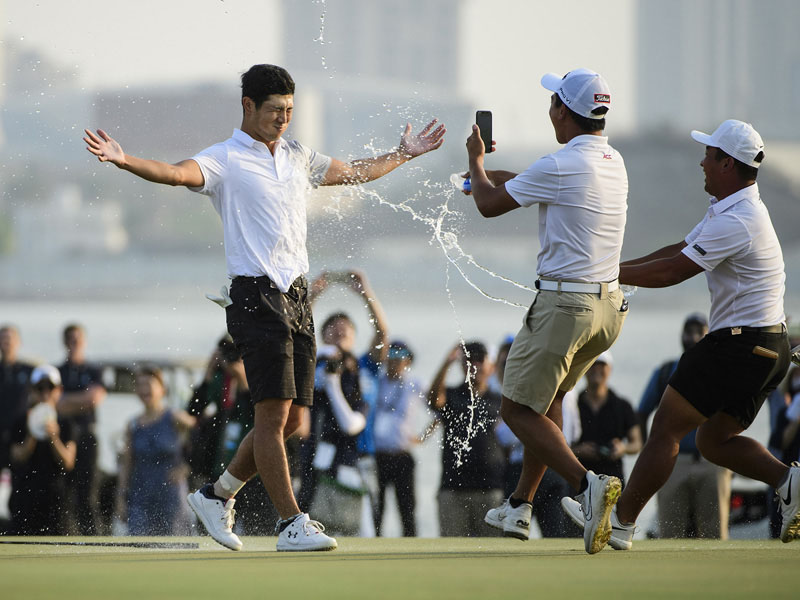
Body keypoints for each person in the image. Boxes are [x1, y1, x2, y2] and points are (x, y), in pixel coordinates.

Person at [84, 63, 444, 551]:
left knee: (294, 421)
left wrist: (404, 154)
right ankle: (291, 522)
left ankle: (216, 495)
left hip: (296, 298)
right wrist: (125, 161)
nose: (284, 119)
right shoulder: (225, 158)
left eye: (291, 110)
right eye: (275, 110)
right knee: (272, 417)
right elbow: (174, 173)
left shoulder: (298, 154)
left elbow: (355, 172)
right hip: (255, 298)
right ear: (248, 106)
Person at [565, 119, 797, 552]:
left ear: (727, 164)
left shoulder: (739, 218)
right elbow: (678, 250)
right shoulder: (731, 207)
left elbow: (675, 271)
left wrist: (604, 275)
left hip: (740, 345)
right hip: (770, 349)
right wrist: (612, 267)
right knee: (712, 440)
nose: (702, 162)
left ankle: (619, 522)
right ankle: (789, 480)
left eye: (709, 155)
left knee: (666, 428)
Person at [465, 68, 629, 553]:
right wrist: (489, 177)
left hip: (565, 305)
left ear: (562, 110)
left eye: (552, 102)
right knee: (550, 400)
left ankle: (588, 486)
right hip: (609, 310)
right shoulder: (612, 160)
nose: (549, 109)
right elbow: (539, 187)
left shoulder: (561, 163)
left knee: (516, 408)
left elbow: (490, 206)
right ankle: (520, 505)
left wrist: (476, 163)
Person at [639, 313, 732, 539]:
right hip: (673, 463)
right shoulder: (666, 372)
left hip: (713, 463)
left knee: (714, 533)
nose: (693, 337)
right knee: (670, 532)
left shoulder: (722, 372)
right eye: (688, 332)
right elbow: (641, 412)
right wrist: (649, 452)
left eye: (699, 332)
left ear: (709, 335)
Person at [187, 335, 279, 535]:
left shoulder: (259, 378)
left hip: (254, 472)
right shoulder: (220, 380)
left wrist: (245, 383)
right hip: (219, 467)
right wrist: (208, 375)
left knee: (261, 530)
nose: (232, 357)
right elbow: (193, 411)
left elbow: (265, 417)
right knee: (211, 529)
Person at [428, 341, 505, 537]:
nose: (475, 366)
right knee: (452, 553)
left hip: (492, 489)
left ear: (491, 365)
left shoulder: (500, 400)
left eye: (480, 360)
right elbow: (433, 400)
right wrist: (446, 363)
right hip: (453, 489)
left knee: (492, 554)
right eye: (469, 361)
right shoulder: (452, 395)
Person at [115, 366, 196, 536]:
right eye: (140, 385)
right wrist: (121, 499)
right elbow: (126, 464)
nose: (144, 389)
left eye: (149, 384)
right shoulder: (133, 425)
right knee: (138, 551)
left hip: (171, 498)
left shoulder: (174, 417)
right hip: (140, 499)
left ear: (162, 389)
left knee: (174, 551)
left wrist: (187, 467)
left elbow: (202, 437)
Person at [307, 335, 368, 537]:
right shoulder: (312, 398)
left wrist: (334, 386)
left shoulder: (360, 402)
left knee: (352, 532)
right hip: (312, 478)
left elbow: (349, 425)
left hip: (344, 477)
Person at [8, 365, 76, 535]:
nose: (45, 393)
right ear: (32, 390)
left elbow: (68, 462)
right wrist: (32, 433)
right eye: (40, 388)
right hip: (24, 500)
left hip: (56, 502)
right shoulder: (19, 422)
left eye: (50, 388)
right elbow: (17, 457)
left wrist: (54, 438)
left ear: (58, 390)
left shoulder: (66, 423)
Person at [57, 323, 107, 536]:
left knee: (88, 491)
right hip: (63, 436)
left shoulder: (94, 370)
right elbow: (55, 404)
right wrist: (80, 400)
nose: (74, 343)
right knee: (64, 491)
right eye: (71, 339)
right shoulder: (58, 371)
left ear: (84, 341)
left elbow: (94, 399)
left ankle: (93, 537)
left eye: (78, 338)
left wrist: (66, 400)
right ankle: (67, 534)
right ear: (65, 342)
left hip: (87, 436)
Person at [373, 340, 424, 537]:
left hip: (402, 454)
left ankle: (411, 549)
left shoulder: (415, 384)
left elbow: (438, 411)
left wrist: (422, 437)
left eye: (399, 358)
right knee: (376, 510)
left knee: (408, 509)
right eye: (390, 357)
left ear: (408, 362)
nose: (394, 362)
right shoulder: (375, 380)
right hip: (377, 455)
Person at [571, 352, 641, 484]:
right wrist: (578, 450)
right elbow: (557, 442)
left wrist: (622, 448)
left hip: (613, 481)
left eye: (601, 365)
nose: (596, 369)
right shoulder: (572, 405)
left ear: (610, 369)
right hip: (578, 480)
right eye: (592, 364)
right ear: (584, 368)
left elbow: (636, 443)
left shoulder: (622, 405)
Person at [0, 325, 34, 477]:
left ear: (19, 342)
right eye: (3, 338)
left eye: (10, 338)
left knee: (21, 484)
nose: (6, 341)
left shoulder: (30, 370)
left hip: (21, 436)